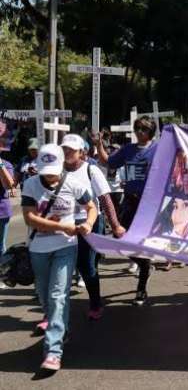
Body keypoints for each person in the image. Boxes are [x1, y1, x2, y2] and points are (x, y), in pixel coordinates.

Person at [22, 144, 98, 372]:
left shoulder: (74, 184)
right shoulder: (30, 184)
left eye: (53, 170)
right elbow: (30, 219)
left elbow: (92, 207)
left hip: (66, 247)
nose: (49, 175)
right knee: (45, 296)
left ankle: (53, 351)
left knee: (58, 295)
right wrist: (61, 226)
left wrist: (87, 223)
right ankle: (60, 328)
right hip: (38, 248)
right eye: (44, 171)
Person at [61, 134, 126, 320]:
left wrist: (115, 226)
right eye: (64, 149)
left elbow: (105, 198)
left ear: (82, 152)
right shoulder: (56, 170)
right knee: (60, 265)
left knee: (86, 265)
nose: (67, 153)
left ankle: (95, 304)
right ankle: (53, 311)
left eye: (71, 150)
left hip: (89, 223)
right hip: (64, 224)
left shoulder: (91, 170)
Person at [94, 116, 157, 306]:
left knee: (143, 242)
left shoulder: (159, 149)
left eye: (144, 129)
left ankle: (141, 288)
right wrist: (98, 145)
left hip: (149, 204)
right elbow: (108, 162)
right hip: (130, 201)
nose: (139, 132)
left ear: (151, 132)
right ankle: (144, 265)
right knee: (120, 237)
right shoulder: (128, 149)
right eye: (137, 128)